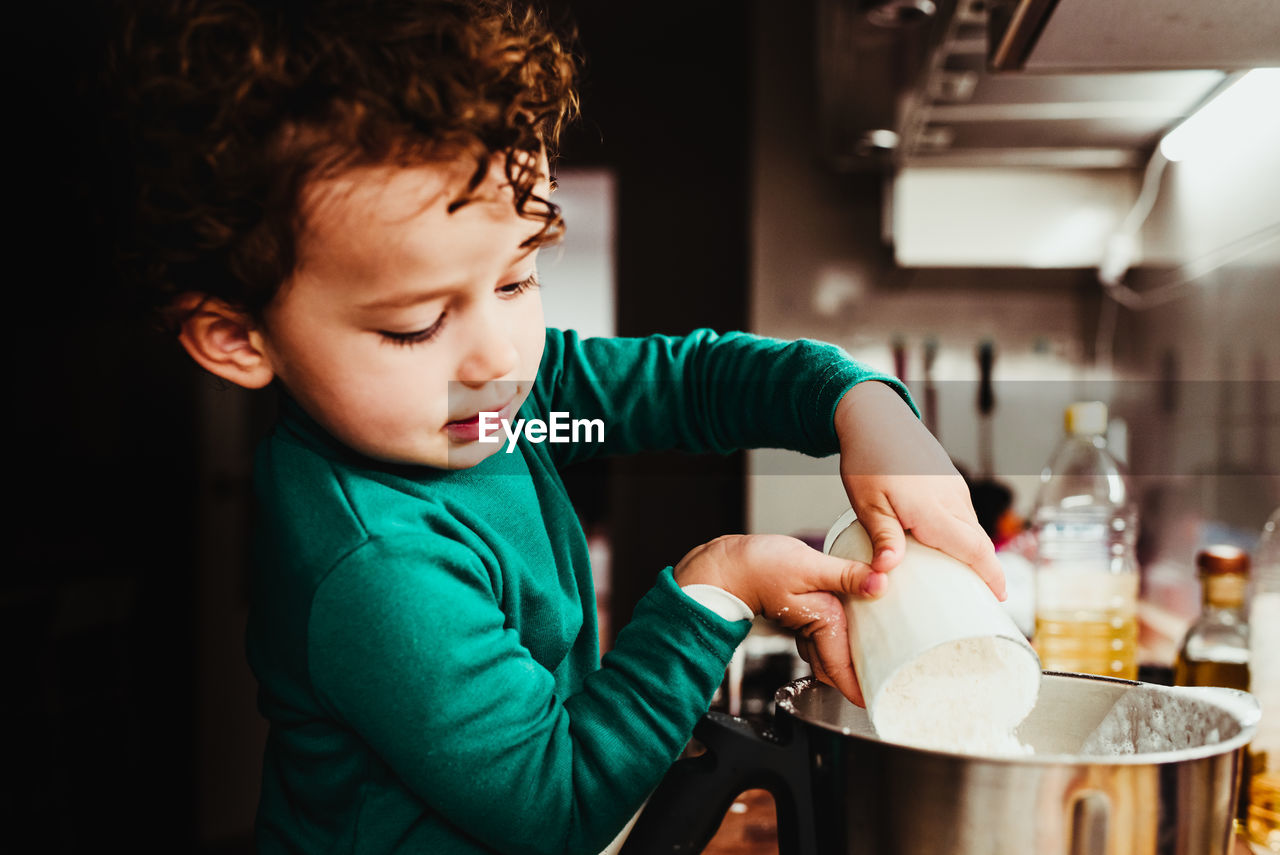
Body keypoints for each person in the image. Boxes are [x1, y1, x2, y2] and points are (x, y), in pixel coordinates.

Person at [109, 1, 1004, 852]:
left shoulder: (475, 401)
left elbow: (692, 386)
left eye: (518, 278)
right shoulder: (375, 562)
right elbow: (557, 805)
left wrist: (856, 402)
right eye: (416, 323)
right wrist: (718, 585)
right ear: (237, 335)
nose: (499, 353)